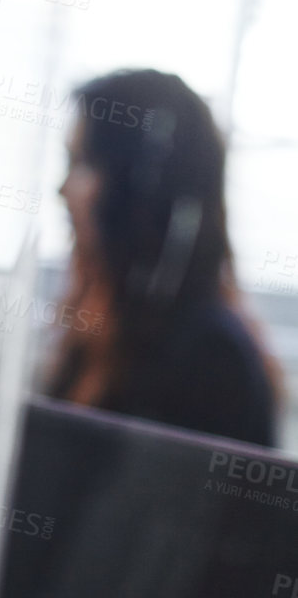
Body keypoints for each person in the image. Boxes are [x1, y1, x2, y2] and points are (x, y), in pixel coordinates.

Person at [46, 68, 282, 447]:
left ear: (141, 192)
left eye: (83, 163)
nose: (61, 188)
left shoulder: (210, 358)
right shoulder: (110, 328)